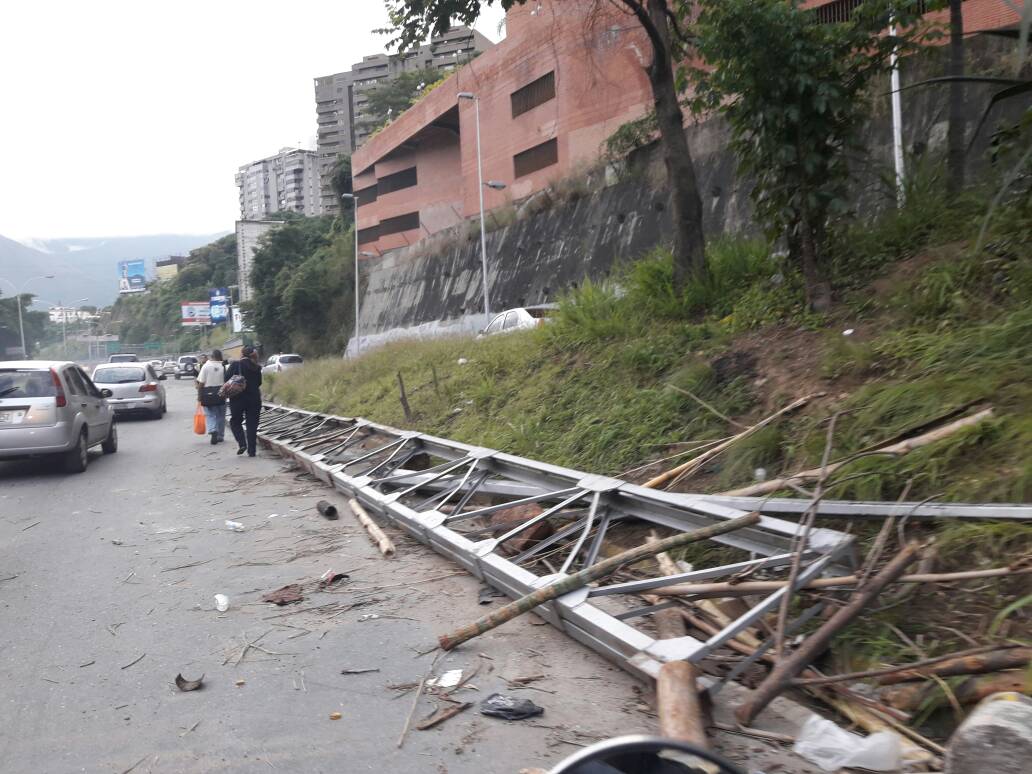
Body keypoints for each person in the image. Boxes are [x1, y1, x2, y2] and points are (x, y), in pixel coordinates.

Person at [227, 345, 263, 457]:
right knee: (252, 424)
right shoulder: (256, 367)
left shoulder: (235, 365)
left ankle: (242, 443)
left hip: (237, 398)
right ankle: (252, 451)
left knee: (235, 421)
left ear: (242, 354)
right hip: (254, 398)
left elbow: (226, 379)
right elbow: (259, 383)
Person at [195, 348, 226, 444]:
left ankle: (213, 430)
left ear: (211, 356)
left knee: (210, 414)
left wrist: (199, 396)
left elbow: (201, 383)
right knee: (221, 415)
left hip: (208, 394)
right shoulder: (224, 366)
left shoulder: (206, 366)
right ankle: (220, 436)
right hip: (221, 393)